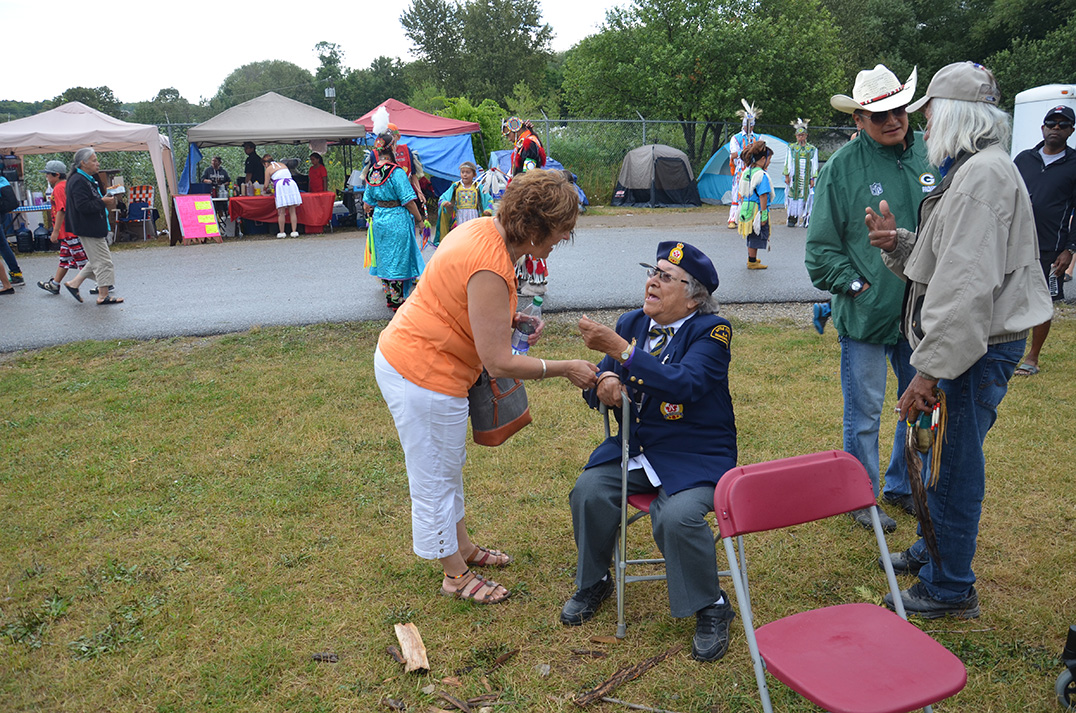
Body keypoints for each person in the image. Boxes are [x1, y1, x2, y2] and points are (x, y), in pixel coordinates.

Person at [867, 61, 1053, 618]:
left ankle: (949, 587)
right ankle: (933, 552)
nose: (924, 128)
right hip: (975, 344)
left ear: (952, 117)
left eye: (929, 116)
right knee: (941, 460)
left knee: (953, 465)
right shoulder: (979, 170)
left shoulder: (982, 176)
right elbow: (948, 260)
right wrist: (898, 242)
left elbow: (966, 287)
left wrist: (928, 372)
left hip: (975, 348)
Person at [374, 169, 597, 605]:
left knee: (446, 466)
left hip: (420, 362)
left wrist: (505, 317)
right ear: (534, 228)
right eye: (558, 233)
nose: (558, 243)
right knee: (435, 477)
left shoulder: (479, 230)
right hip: (423, 373)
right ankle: (454, 575)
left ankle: (463, 548)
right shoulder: (492, 264)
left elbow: (456, 296)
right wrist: (565, 367)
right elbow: (497, 361)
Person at [563, 241, 737, 662]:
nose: (652, 282)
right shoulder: (633, 322)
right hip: (639, 447)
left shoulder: (712, 332)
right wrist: (604, 381)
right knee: (589, 490)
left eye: (665, 277)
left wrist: (621, 351)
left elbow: (686, 383)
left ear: (694, 296)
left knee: (676, 516)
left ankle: (711, 605)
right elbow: (608, 370)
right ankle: (595, 579)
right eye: (651, 271)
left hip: (696, 454)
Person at [805, 64, 939, 532]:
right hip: (865, 317)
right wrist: (858, 286)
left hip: (922, 315)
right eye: (878, 114)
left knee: (918, 402)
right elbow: (819, 252)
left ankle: (903, 485)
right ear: (858, 120)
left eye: (898, 109)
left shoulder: (932, 153)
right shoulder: (839, 169)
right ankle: (862, 499)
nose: (892, 120)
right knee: (863, 413)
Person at [1012, 105, 1076, 376]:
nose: (1056, 128)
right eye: (1051, 123)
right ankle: (1005, 350)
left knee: (1042, 301)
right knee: (1009, 296)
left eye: (1063, 125)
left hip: (1050, 247)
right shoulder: (1023, 159)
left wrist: (1070, 249)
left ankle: (1033, 357)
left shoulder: (1074, 164)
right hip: (1013, 243)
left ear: (1071, 131)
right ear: (1043, 127)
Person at [362, 133, 426, 311]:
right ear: (392, 148)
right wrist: (420, 220)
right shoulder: (396, 172)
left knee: (385, 258)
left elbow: (367, 203)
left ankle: (390, 296)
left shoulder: (373, 171)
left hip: (380, 219)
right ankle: (397, 301)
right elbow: (408, 200)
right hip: (397, 218)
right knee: (398, 258)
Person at [63, 148, 122, 305]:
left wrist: (102, 201)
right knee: (104, 261)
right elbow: (82, 206)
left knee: (97, 259)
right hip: (89, 227)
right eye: (94, 160)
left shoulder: (85, 179)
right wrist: (102, 202)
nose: (98, 163)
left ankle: (74, 283)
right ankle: (103, 295)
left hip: (92, 226)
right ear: (83, 163)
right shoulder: (78, 181)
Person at [503, 117, 549, 295]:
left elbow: (529, 173)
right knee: (519, 236)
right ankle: (520, 278)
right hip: (523, 195)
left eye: (507, 134)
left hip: (528, 198)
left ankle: (537, 283)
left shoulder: (529, 143)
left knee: (530, 236)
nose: (507, 138)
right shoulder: (525, 141)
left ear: (514, 129)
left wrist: (520, 193)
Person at [36, 160, 88, 295]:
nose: (46, 177)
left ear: (56, 174)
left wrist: (55, 231)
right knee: (64, 259)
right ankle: (54, 284)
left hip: (68, 231)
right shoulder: (65, 185)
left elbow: (62, 210)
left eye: (47, 174)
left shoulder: (59, 188)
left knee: (83, 261)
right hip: (67, 232)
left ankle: (103, 284)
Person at [737, 141, 775, 270]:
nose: (769, 162)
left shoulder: (748, 171)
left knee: (751, 233)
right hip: (756, 209)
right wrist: (763, 215)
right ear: (763, 159)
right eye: (769, 159)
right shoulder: (761, 175)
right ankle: (752, 261)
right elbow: (763, 195)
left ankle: (751, 258)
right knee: (756, 234)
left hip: (746, 207)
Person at [435, 161, 492, 245]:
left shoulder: (477, 186)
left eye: (468, 172)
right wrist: (444, 202)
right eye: (463, 172)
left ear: (474, 175)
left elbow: (488, 199)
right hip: (459, 216)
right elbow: (443, 197)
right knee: (460, 238)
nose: (465, 174)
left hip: (473, 216)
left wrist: (488, 209)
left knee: (473, 237)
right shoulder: (456, 186)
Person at [727, 100, 760, 229]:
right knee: (737, 193)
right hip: (741, 170)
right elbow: (733, 154)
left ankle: (750, 218)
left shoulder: (757, 138)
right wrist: (746, 151)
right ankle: (733, 218)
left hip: (753, 169)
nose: (749, 127)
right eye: (747, 125)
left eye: (751, 125)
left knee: (752, 193)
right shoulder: (736, 138)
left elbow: (761, 151)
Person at [784, 118, 818, 227]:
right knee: (792, 197)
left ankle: (806, 219)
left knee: (806, 197)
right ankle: (792, 218)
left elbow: (815, 165)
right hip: (794, 178)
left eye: (803, 135)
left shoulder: (811, 149)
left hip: (806, 177)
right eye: (799, 136)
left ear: (806, 136)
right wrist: (787, 175)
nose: (801, 137)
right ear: (796, 136)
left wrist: (813, 178)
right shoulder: (792, 148)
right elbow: (787, 162)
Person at [262, 156, 301, 238]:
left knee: (281, 211)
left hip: (281, 185)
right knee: (292, 209)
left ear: (265, 163)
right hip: (291, 183)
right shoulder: (282, 165)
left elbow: (266, 185)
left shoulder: (268, 169)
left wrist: (264, 190)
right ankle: (294, 231)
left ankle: (282, 232)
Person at [0, 172, 24, 286]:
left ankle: (11, 279)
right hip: (2, 214)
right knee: (3, 245)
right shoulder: (2, 179)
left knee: (3, 245)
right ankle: (16, 274)